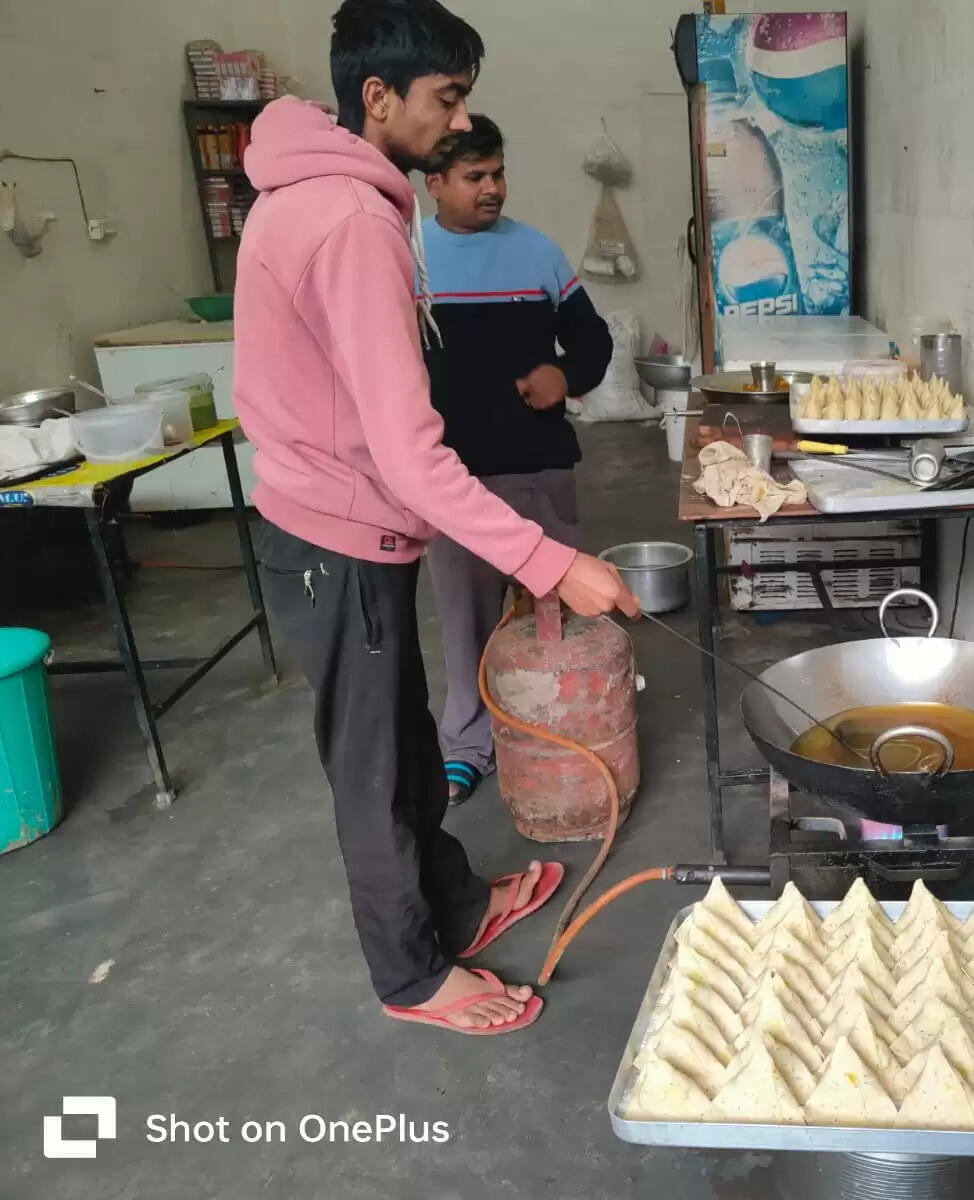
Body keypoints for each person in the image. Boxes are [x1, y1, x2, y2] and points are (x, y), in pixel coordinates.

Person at [232, 0, 638, 1037]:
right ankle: (409, 973)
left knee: (404, 739)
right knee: (373, 765)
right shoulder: (354, 221)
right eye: (445, 101)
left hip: (337, 519)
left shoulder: (324, 194)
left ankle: (451, 900)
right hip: (333, 534)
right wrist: (552, 563)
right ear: (378, 98)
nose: (459, 127)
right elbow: (411, 453)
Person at [417, 114, 613, 805]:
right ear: (433, 182)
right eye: (475, 177)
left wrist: (567, 375)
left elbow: (592, 343)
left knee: (552, 611)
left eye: (498, 172)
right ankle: (469, 743)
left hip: (538, 464)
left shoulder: (537, 253)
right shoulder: (407, 257)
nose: (493, 188)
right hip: (452, 478)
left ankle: (562, 728)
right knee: (465, 621)